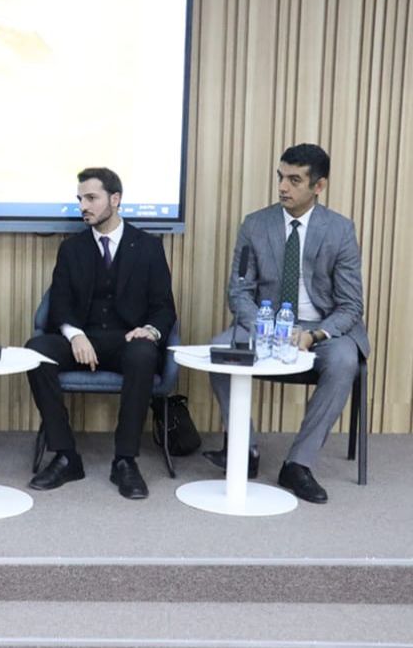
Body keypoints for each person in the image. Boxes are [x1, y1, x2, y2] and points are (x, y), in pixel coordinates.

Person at [204, 144, 369, 504]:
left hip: (322, 327)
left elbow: (350, 305)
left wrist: (313, 334)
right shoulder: (255, 224)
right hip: (265, 321)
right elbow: (239, 291)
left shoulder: (339, 230)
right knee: (220, 351)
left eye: (295, 180)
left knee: (344, 361)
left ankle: (298, 464)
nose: (282, 187)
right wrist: (265, 327)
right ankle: (244, 450)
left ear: (318, 186)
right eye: (281, 177)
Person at [24, 167, 176, 499]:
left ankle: (125, 461)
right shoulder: (72, 249)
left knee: (144, 354)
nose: (83, 206)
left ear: (115, 199)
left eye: (91, 198)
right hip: (83, 339)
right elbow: (59, 303)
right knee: (35, 351)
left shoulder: (147, 247)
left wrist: (149, 331)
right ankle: (66, 456)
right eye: (80, 199)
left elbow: (164, 307)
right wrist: (74, 334)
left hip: (127, 341)